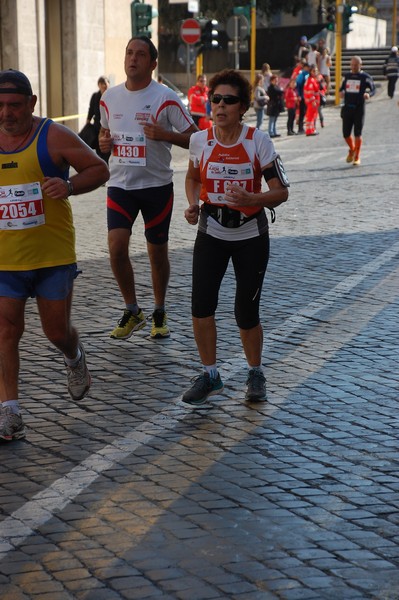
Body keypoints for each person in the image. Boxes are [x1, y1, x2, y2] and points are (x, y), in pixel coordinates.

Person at [0, 69, 109, 441]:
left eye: (14, 105)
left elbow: (99, 168)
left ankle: (74, 355)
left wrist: (69, 184)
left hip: (52, 257)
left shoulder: (53, 136)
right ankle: (10, 412)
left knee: (56, 331)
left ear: (31, 104)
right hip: (5, 260)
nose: (6, 113)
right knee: (5, 330)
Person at [183, 69, 289, 406]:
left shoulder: (258, 141)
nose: (220, 105)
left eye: (229, 100)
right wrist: (192, 204)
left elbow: (281, 192)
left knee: (246, 310)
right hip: (211, 231)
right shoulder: (200, 140)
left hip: (250, 235)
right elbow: (192, 178)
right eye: (216, 99)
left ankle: (255, 371)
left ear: (242, 106)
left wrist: (252, 199)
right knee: (201, 307)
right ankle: (210, 374)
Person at [99, 36, 197, 340]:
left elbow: (198, 139)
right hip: (120, 185)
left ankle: (159, 309)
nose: (133, 59)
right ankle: (132, 309)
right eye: (129, 52)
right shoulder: (108, 98)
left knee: (157, 254)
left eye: (140, 54)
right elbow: (105, 136)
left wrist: (165, 134)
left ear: (153, 64)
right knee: (116, 248)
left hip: (156, 186)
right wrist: (104, 144)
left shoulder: (165, 98)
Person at [339, 55, 375, 166]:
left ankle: (357, 157)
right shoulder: (348, 75)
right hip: (347, 107)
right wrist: (341, 93)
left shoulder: (365, 77)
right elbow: (342, 88)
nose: (354, 67)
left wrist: (368, 94)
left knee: (357, 133)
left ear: (360, 65)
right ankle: (352, 149)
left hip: (359, 108)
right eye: (352, 65)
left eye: (356, 65)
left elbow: (373, 89)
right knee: (346, 134)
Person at [86, 76, 110, 163]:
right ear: (99, 85)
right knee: (98, 146)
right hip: (97, 125)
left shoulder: (111, 96)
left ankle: (106, 164)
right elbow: (91, 109)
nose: (105, 86)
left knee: (107, 147)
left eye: (106, 84)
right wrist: (88, 120)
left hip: (107, 127)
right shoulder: (95, 96)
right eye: (102, 84)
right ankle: (101, 163)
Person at [304, 64, 321, 136]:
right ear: (310, 72)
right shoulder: (310, 80)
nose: (315, 72)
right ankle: (309, 130)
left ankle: (312, 129)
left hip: (313, 102)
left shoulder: (312, 80)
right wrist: (313, 101)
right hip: (312, 102)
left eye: (316, 71)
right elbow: (310, 92)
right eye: (314, 71)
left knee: (313, 116)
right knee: (310, 116)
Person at [295, 62, 310, 134]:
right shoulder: (302, 75)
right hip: (303, 96)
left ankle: (303, 127)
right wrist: (299, 95)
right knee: (302, 112)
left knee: (304, 112)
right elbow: (298, 85)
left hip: (306, 96)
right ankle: (300, 128)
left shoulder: (307, 74)